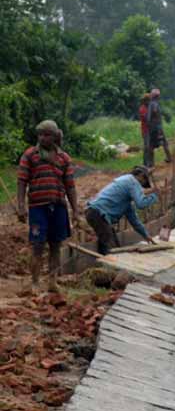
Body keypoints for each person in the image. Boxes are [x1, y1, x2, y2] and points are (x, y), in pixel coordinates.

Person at [16, 120, 80, 293]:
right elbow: (22, 181)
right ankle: (35, 282)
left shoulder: (63, 158)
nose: (43, 138)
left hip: (58, 207)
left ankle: (52, 281)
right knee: (37, 245)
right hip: (38, 208)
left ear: (54, 137)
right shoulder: (30, 155)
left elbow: (70, 186)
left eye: (47, 134)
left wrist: (75, 210)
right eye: (40, 134)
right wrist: (21, 206)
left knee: (55, 245)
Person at [85, 166, 159, 255]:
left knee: (114, 246)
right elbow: (141, 204)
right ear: (140, 175)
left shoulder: (126, 199)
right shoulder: (132, 181)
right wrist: (154, 196)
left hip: (96, 213)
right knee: (109, 246)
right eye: (142, 181)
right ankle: (106, 265)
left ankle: (107, 262)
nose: (140, 187)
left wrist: (146, 236)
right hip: (98, 213)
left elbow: (134, 221)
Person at [145, 88, 172, 167]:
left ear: (152, 96)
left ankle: (151, 163)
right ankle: (169, 157)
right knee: (164, 142)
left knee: (151, 145)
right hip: (159, 127)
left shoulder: (152, 104)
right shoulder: (156, 103)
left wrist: (149, 123)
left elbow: (151, 114)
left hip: (154, 128)